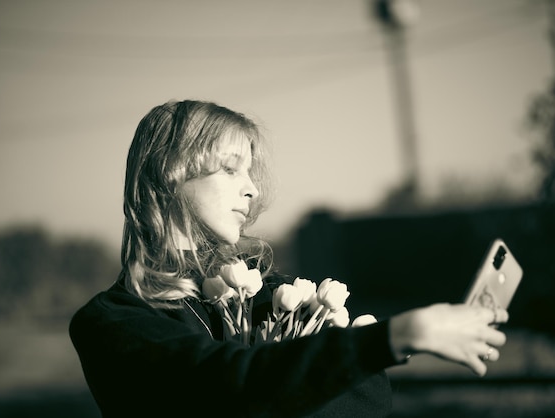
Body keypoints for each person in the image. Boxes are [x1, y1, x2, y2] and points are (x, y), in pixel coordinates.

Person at [69, 100, 508, 418]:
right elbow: (220, 385)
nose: (252, 189)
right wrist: (394, 337)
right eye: (230, 169)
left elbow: (370, 399)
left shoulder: (268, 292)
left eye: (250, 172)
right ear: (170, 173)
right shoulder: (112, 322)